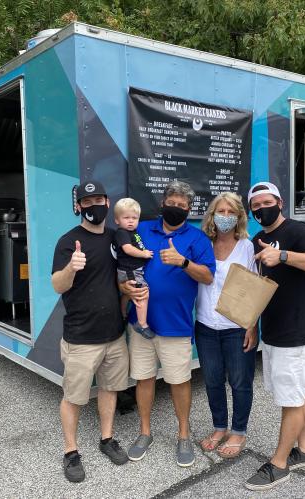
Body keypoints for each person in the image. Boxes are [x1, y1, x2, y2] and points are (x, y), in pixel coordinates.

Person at [244, 182, 305, 491]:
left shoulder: (299, 232)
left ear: (280, 202)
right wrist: (252, 324)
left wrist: (283, 256)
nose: (260, 209)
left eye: (266, 202)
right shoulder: (258, 239)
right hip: (273, 329)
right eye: (254, 206)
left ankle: (279, 463)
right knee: (297, 393)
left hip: (296, 332)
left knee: (291, 400)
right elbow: (259, 286)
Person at [122, 181, 216, 468]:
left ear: (189, 209)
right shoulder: (141, 230)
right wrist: (125, 288)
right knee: (144, 378)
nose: (175, 208)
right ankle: (145, 432)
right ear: (162, 203)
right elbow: (124, 266)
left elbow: (208, 277)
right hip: (140, 324)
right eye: (171, 203)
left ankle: (184, 435)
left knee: (179, 382)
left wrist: (183, 262)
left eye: (181, 205)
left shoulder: (197, 239)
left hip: (176, 325)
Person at [51, 181, 131, 483]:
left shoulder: (116, 238)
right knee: (73, 396)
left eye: (98, 199)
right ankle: (71, 452)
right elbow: (58, 285)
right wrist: (72, 267)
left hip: (113, 334)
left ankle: (107, 438)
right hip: (81, 338)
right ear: (78, 207)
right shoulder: (68, 242)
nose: (93, 206)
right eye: (87, 201)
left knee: (110, 389)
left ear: (108, 203)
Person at [195, 192, 258, 459]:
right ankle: (220, 427)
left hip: (237, 326)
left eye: (232, 212)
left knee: (241, 381)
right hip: (206, 325)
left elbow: (255, 288)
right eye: (221, 211)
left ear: (240, 217)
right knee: (212, 380)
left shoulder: (246, 246)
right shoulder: (201, 244)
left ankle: (239, 431)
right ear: (212, 215)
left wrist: (252, 326)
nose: (226, 217)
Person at [112, 197, 155, 338]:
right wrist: (144, 254)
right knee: (143, 293)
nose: (131, 221)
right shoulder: (121, 233)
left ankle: (122, 314)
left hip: (133, 270)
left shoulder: (133, 232)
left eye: (134, 218)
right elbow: (128, 249)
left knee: (127, 294)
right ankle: (142, 324)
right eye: (126, 218)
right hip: (130, 270)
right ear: (117, 220)